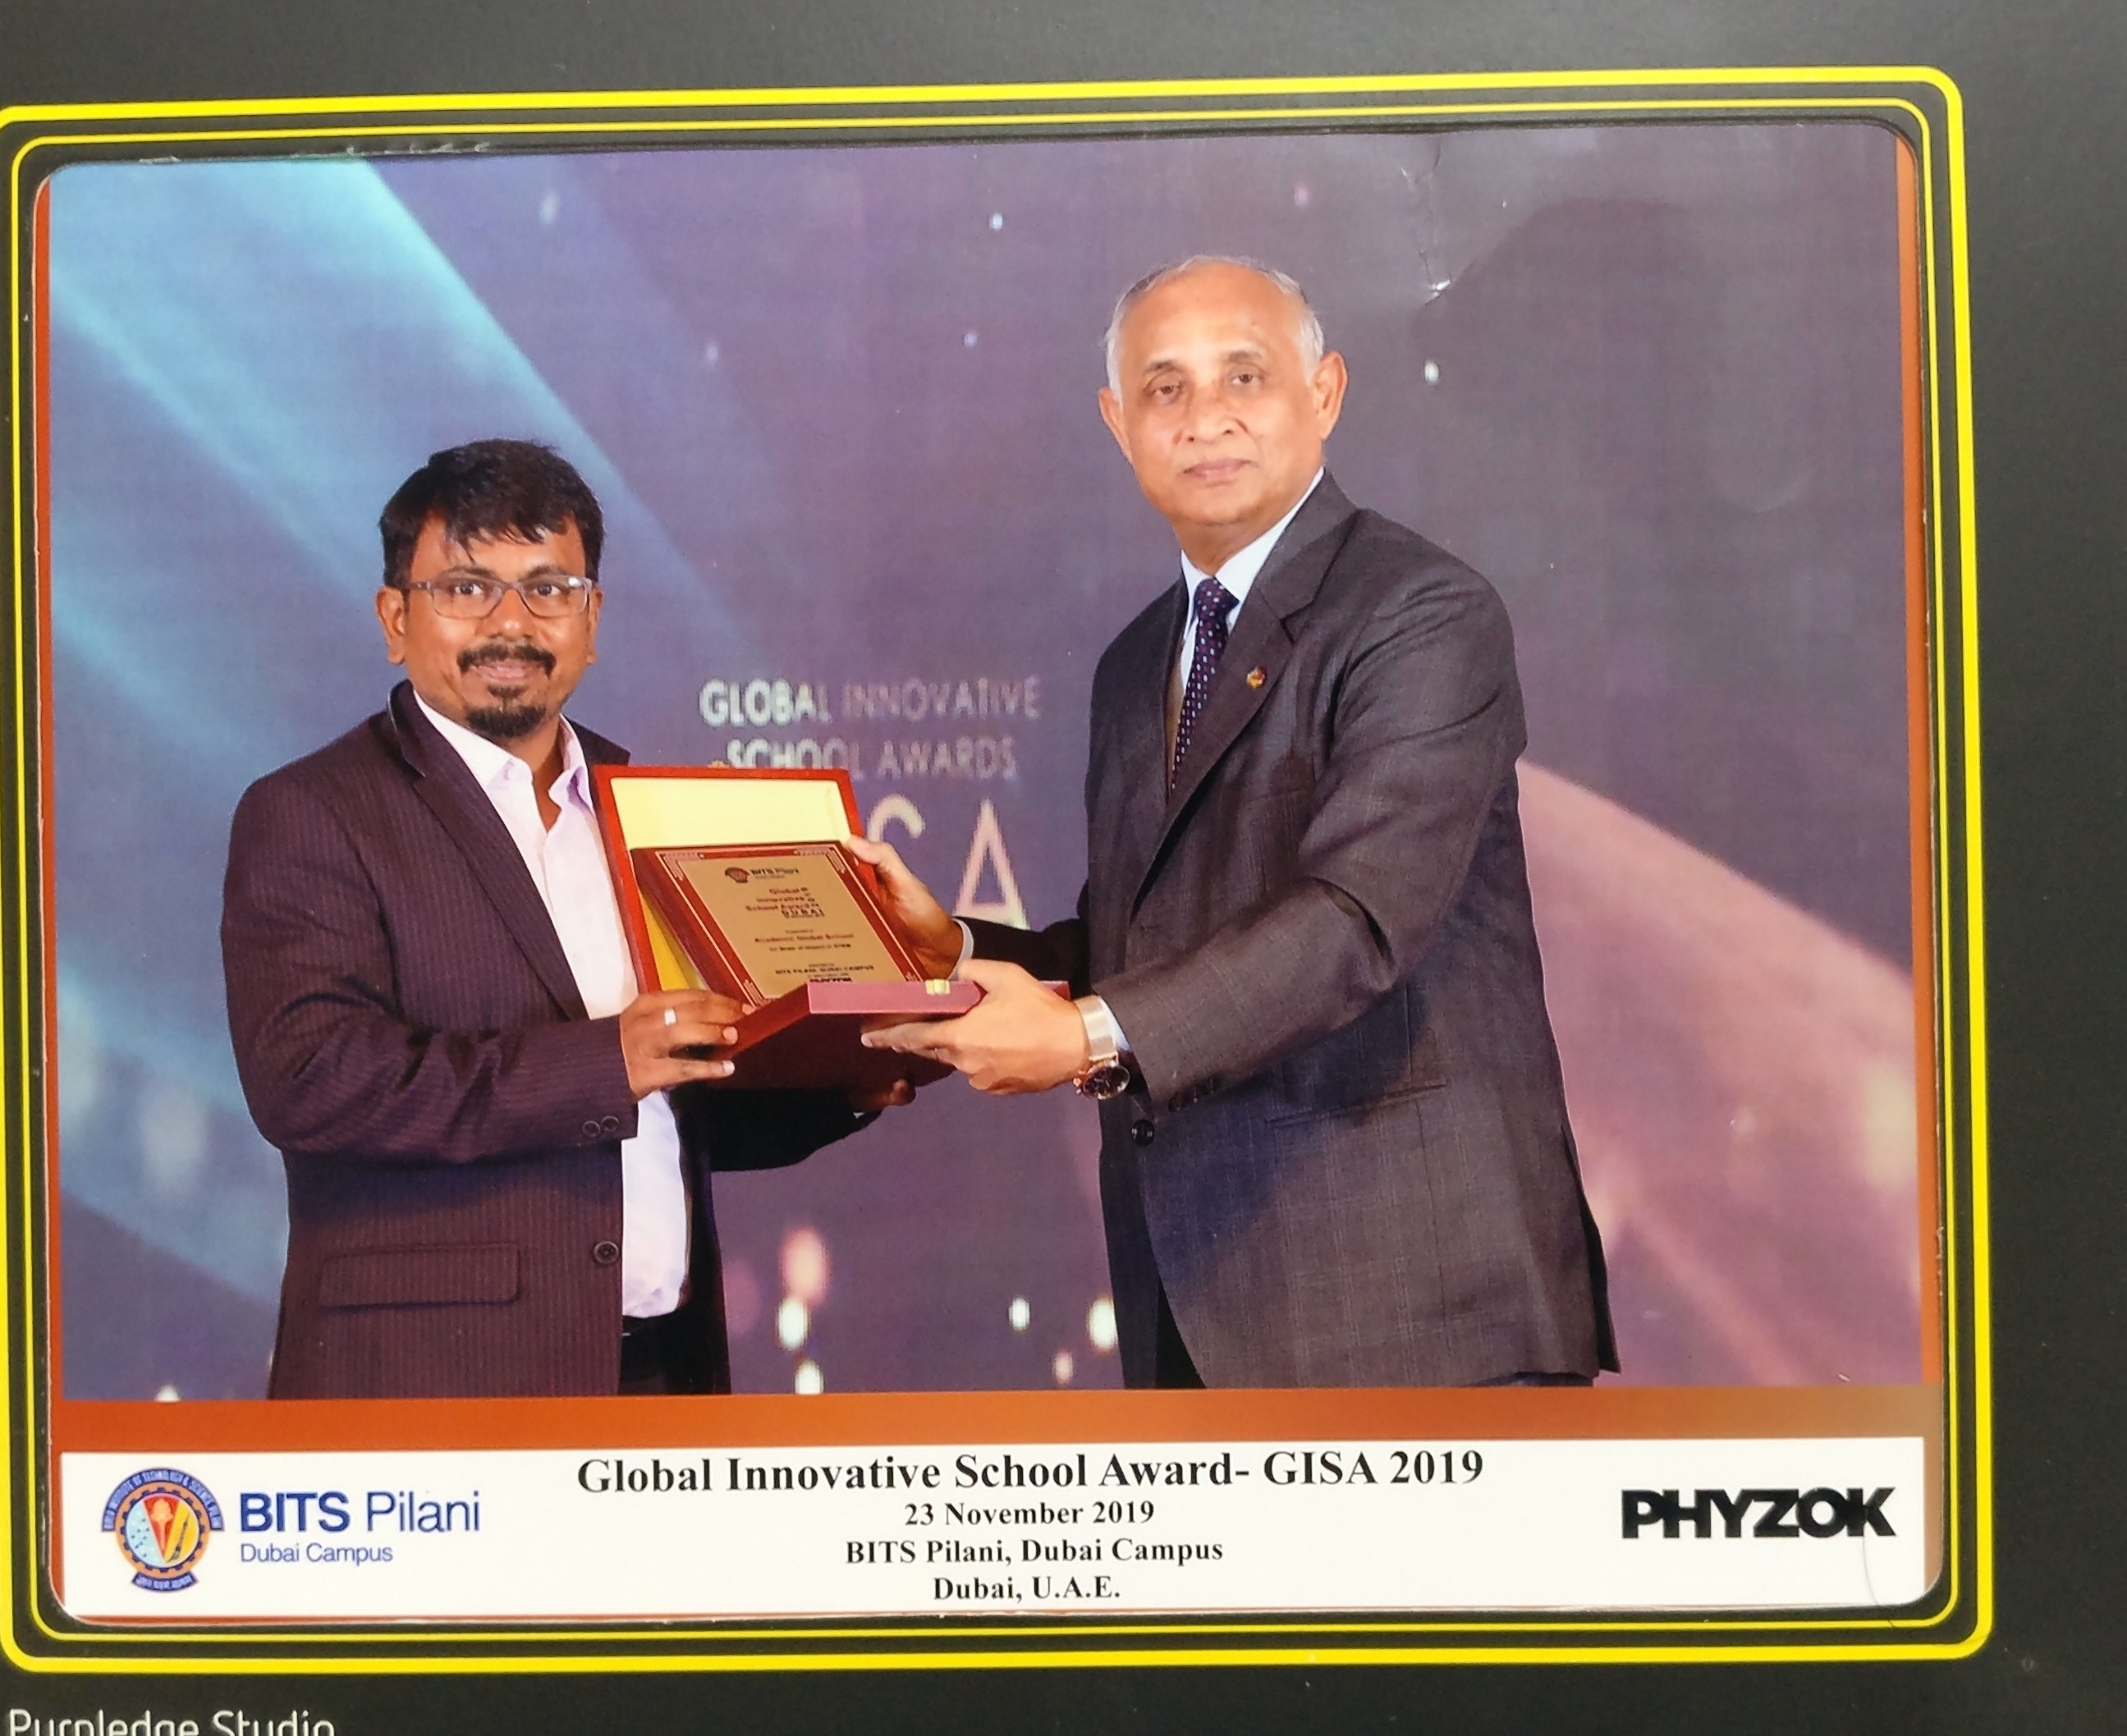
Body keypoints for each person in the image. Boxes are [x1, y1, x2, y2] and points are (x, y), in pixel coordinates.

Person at [858, 257, 1616, 1389]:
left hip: (1411, 1308)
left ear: (1325, 393)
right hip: (1193, 1306)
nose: (1204, 417)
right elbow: (1145, 950)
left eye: (1244, 376)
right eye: (1163, 388)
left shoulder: (1420, 613)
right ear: (1117, 423)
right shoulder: (1135, 665)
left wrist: (1084, 1036)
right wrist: (956, 951)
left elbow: (1356, 922)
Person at [222, 439, 893, 1398]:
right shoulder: (313, 812)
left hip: (662, 1378)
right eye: (466, 588)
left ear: (592, 619)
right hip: (432, 1392)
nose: (511, 623)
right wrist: (604, 1060)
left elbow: (673, 1112)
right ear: (395, 618)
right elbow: (312, 1080)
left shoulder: (649, 806)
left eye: (549, 588)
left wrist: (844, 1074)